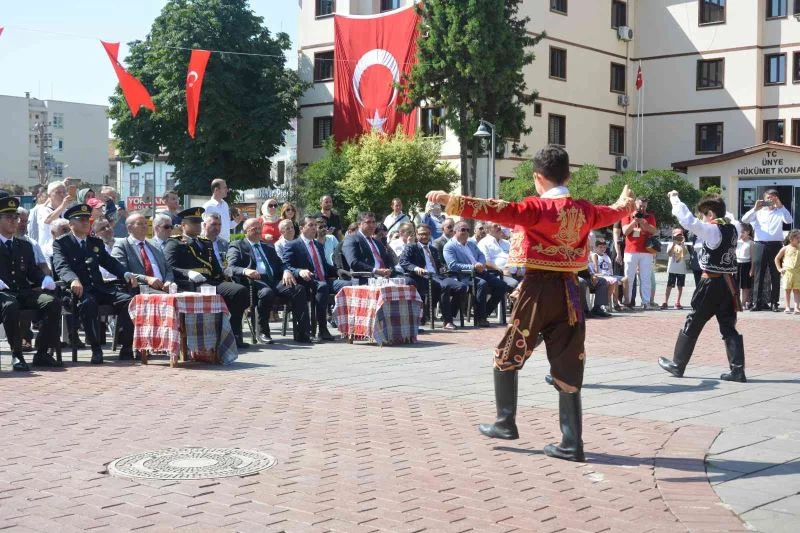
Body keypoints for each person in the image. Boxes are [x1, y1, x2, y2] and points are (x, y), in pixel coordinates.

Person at [427, 144, 635, 462]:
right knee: (568, 363)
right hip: (571, 292)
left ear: (538, 177)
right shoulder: (585, 210)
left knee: (507, 353)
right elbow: (613, 212)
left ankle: (505, 421)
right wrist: (625, 204)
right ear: (568, 176)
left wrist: (449, 199)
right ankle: (572, 443)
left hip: (537, 291)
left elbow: (493, 209)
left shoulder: (535, 208)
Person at [658, 191, 746, 382]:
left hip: (710, 283)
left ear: (711, 214)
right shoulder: (734, 228)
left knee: (693, 321)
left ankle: (678, 364)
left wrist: (674, 198)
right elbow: (731, 218)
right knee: (728, 326)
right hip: (728, 284)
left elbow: (688, 221)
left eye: (704, 215)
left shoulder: (712, 230)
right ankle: (738, 370)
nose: (702, 219)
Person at [53, 204, 139, 364]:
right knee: (88, 304)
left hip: (99, 288)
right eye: (81, 220)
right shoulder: (62, 243)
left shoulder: (95, 242)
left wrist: (125, 273)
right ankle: (96, 348)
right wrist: (72, 279)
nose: (86, 223)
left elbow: (110, 262)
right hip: (77, 291)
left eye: (87, 219)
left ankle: (127, 346)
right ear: (71, 223)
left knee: (129, 301)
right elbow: (61, 266)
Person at [164, 207, 250, 348]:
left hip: (210, 281)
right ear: (184, 225)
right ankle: (227, 335)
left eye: (199, 222)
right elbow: (169, 267)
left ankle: (232, 335)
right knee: (238, 292)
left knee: (240, 291)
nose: (198, 226)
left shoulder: (205, 242)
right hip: (192, 284)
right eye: (194, 223)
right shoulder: (174, 243)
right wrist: (188, 273)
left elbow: (214, 267)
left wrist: (225, 273)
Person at [225, 218, 312, 344]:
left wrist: (286, 271)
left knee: (298, 289)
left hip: (273, 280)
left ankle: (303, 332)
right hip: (254, 280)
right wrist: (245, 271)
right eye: (254, 229)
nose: (258, 231)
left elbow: (282, 264)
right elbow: (231, 268)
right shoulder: (237, 245)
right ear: (245, 232)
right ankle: (263, 332)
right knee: (266, 293)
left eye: (259, 228)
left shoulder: (268, 247)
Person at [0, 197, 60, 370]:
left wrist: (44, 278)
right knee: (10, 306)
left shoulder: (24, 246)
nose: (14, 221)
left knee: (52, 302)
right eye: (9, 217)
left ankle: (42, 352)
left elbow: (32, 271)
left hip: (23, 292)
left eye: (15, 217)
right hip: (3, 294)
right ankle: (17, 355)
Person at [283, 216, 351, 342]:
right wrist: (299, 271)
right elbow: (286, 266)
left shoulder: (318, 245)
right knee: (322, 287)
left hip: (324, 279)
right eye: (311, 225)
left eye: (315, 225)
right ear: (302, 228)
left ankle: (350, 325)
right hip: (308, 281)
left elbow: (324, 265)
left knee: (349, 285)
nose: (314, 228)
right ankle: (323, 328)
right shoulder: (293, 245)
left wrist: (338, 271)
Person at [399, 223, 468, 330]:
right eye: (421, 234)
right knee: (444, 286)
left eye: (427, 234)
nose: (424, 236)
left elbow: (440, 266)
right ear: (416, 234)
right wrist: (416, 268)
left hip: (438, 276)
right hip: (423, 276)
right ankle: (447, 321)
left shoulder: (433, 249)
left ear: (430, 234)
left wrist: (445, 269)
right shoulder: (412, 247)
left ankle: (448, 313)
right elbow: (403, 261)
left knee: (462, 287)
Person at [443, 221, 507, 328]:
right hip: (465, 275)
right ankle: (481, 318)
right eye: (463, 230)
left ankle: (484, 313)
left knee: (502, 285)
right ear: (455, 231)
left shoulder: (471, 244)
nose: (466, 232)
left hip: (480, 271)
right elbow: (453, 265)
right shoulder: (449, 246)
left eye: (468, 230)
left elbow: (481, 256)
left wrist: (481, 264)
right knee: (482, 283)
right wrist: (473, 267)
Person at [741, 189, 794, 312]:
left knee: (775, 274)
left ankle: (774, 303)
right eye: (768, 197)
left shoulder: (780, 211)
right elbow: (744, 219)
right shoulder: (758, 212)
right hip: (760, 244)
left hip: (775, 245)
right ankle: (756, 303)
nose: (770, 199)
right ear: (764, 199)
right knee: (758, 275)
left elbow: (789, 220)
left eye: (773, 197)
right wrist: (755, 208)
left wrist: (780, 206)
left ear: (777, 198)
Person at [111, 213, 176, 293]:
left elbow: (168, 268)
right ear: (130, 228)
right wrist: (146, 279)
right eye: (140, 224)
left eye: (145, 223)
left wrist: (168, 281)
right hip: (141, 288)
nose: (145, 226)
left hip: (163, 287)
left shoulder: (154, 244)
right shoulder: (122, 245)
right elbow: (121, 271)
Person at [342, 212, 402, 283]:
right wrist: (375, 271)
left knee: (407, 280)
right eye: (368, 222)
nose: (372, 225)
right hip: (365, 279)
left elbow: (388, 260)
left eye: (373, 222)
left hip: (384, 278)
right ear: (359, 224)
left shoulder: (377, 242)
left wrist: (390, 271)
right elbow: (354, 262)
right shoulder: (351, 239)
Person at [621, 196, 658, 310]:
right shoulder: (627, 215)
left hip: (646, 251)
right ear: (635, 204)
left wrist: (643, 222)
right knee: (629, 278)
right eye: (640, 206)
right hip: (631, 251)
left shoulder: (650, 216)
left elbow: (653, 231)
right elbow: (625, 231)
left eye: (644, 206)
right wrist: (634, 221)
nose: (642, 208)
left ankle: (646, 302)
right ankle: (627, 302)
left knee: (645, 278)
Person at [479, 222, 520, 291]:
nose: (499, 227)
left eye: (499, 225)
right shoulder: (483, 243)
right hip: (497, 274)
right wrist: (501, 270)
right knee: (515, 285)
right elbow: (485, 262)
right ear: (487, 230)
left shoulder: (506, 242)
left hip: (516, 273)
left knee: (530, 283)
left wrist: (518, 268)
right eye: (495, 226)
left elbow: (515, 256)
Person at [36, 181, 73, 249]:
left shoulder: (67, 211)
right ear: (49, 195)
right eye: (58, 192)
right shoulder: (43, 210)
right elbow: (48, 221)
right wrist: (63, 206)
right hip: (48, 250)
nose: (62, 195)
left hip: (65, 248)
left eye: (64, 192)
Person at [589, 239, 624, 311]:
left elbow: (610, 268)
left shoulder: (606, 256)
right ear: (596, 247)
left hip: (607, 275)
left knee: (620, 279)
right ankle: (607, 303)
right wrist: (601, 274)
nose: (603, 249)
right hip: (599, 276)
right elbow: (595, 269)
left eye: (604, 247)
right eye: (600, 247)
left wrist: (610, 274)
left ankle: (617, 303)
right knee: (613, 281)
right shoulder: (594, 255)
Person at [775, 229, 800, 314]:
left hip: (797, 273)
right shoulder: (785, 248)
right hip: (787, 273)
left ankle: (796, 308)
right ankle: (787, 307)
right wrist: (779, 268)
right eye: (797, 238)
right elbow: (777, 258)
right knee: (787, 290)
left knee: (797, 290)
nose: (799, 240)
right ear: (791, 239)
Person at [662, 228, 688, 309]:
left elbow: (685, 253)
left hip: (681, 270)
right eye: (677, 236)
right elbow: (669, 254)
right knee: (669, 286)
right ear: (673, 236)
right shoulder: (671, 244)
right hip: (672, 269)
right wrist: (674, 244)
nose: (679, 237)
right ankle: (665, 302)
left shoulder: (684, 245)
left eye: (681, 235)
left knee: (680, 286)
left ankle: (677, 302)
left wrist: (682, 244)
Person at [736, 224, 754, 309]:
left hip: (746, 264)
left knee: (745, 286)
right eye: (740, 232)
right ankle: (737, 302)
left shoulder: (751, 243)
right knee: (736, 285)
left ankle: (743, 303)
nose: (741, 234)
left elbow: (752, 257)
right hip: (737, 264)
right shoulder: (737, 242)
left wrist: (752, 269)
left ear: (748, 232)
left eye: (743, 232)